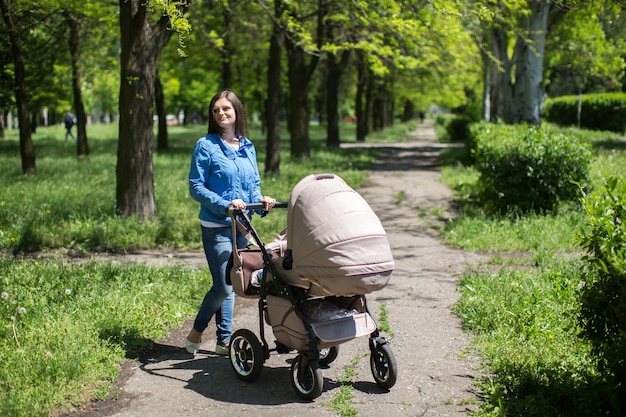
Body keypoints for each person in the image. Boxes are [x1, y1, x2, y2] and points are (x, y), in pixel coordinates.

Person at [186, 89, 276, 356]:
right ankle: (196, 331)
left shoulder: (248, 146)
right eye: (216, 110)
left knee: (236, 282)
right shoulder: (206, 145)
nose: (221, 113)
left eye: (226, 108)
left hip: (241, 227)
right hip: (217, 226)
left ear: (236, 111)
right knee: (224, 285)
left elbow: (253, 185)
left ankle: (223, 340)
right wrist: (224, 204)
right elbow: (195, 186)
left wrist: (261, 201)